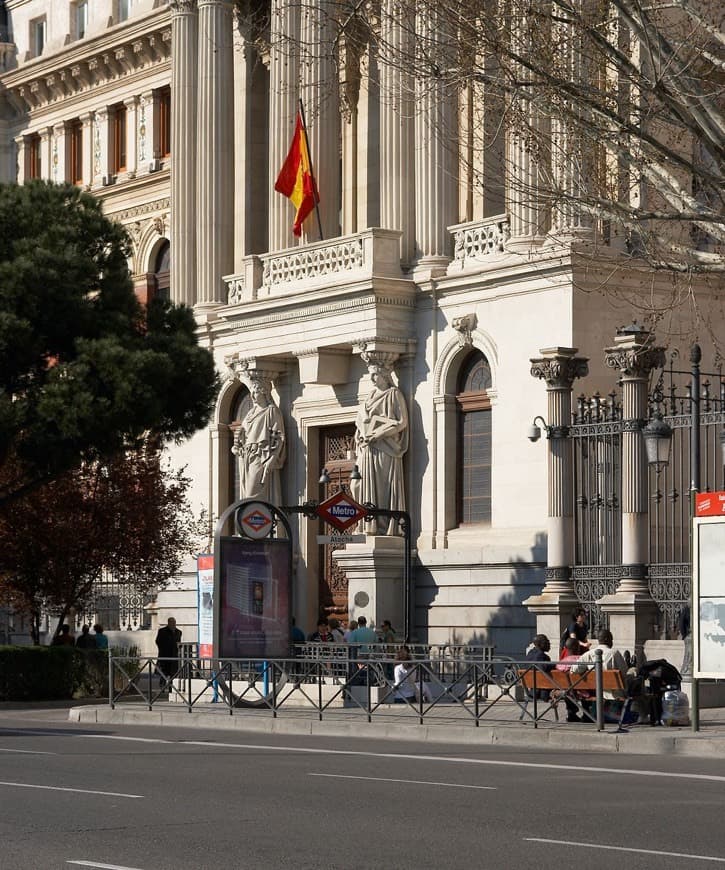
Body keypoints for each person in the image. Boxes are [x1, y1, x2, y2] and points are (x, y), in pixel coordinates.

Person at [351, 363, 408, 535]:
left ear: (384, 375)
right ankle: (366, 523)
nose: (372, 378)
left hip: (385, 448)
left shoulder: (394, 394)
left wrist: (379, 434)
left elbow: (402, 422)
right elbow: (361, 422)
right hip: (366, 448)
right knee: (356, 485)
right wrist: (360, 436)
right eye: (371, 375)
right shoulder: (369, 396)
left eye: (375, 374)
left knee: (382, 488)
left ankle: (381, 526)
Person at [232, 377, 286, 505]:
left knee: (253, 492)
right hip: (247, 456)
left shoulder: (271, 411)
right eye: (251, 392)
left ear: (265, 392)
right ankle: (250, 520)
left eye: (256, 392)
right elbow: (240, 435)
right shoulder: (250, 413)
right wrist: (236, 447)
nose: (253, 395)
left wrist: (273, 458)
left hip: (261, 456)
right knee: (246, 494)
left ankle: (258, 520)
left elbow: (279, 436)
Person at [526, 634, 582, 723]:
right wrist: (556, 664)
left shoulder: (530, 654)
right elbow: (542, 667)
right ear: (539, 644)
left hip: (533, 689)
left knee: (567, 688)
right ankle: (572, 714)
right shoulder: (540, 656)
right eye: (546, 642)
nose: (549, 644)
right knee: (568, 690)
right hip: (543, 691)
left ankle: (573, 714)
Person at [573, 628, 628, 700]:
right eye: (611, 639)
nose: (612, 642)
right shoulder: (614, 653)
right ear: (606, 639)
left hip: (597, 692)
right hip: (615, 694)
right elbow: (624, 672)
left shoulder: (589, 654)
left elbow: (574, 669)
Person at [155, 617, 182, 688]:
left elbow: (179, 642)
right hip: (165, 655)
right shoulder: (162, 631)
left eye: (174, 623)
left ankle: (171, 687)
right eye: (172, 622)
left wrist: (178, 647)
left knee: (173, 672)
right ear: (168, 623)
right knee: (164, 672)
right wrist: (163, 648)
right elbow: (158, 641)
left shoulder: (178, 632)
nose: (173, 624)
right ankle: (162, 686)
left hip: (174, 655)